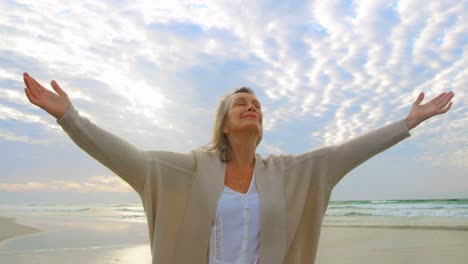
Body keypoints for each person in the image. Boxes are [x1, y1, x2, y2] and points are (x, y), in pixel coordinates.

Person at [22, 72, 454, 264]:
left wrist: (407, 124)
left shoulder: (291, 172)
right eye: (241, 104)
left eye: (257, 105)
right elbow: (125, 156)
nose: (252, 107)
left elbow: (348, 151)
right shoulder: (186, 171)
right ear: (225, 123)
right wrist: (69, 118)